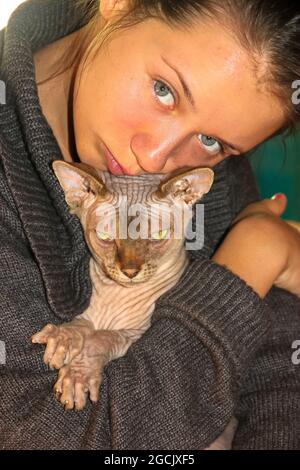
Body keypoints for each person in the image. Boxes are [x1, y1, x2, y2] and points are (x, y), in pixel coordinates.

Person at [0, 0, 300, 449]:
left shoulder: (204, 177)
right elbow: (52, 437)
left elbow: (281, 380)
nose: (157, 158)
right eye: (164, 90)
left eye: (212, 141)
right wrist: (247, 265)